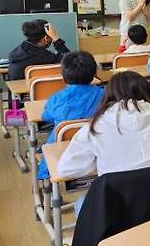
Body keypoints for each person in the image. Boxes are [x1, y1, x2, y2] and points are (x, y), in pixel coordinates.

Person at [57, 71, 150, 216]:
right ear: (148, 91)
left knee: (82, 204)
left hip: (118, 211)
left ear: (108, 96)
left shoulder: (94, 127)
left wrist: (100, 160)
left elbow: (65, 170)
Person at [36, 51, 104, 180]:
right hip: (97, 149)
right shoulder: (105, 95)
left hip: (62, 152)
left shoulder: (56, 99)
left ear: (63, 76)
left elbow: (45, 117)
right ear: (94, 74)